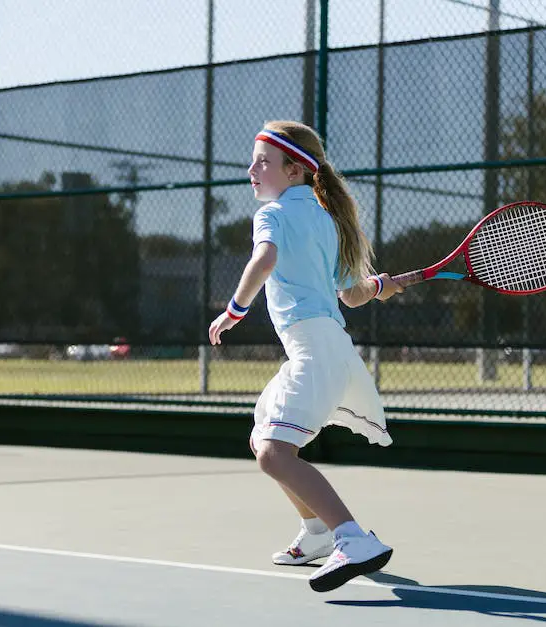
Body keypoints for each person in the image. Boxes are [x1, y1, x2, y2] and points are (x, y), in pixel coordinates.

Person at [208, 120, 403, 593]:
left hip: (314, 348)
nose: (252, 169)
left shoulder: (272, 214)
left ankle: (352, 537)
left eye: (263, 161)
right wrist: (380, 286)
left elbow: (264, 260)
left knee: (276, 454)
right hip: (325, 348)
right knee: (262, 441)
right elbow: (352, 294)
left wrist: (234, 310)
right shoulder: (325, 218)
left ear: (294, 170)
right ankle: (317, 534)